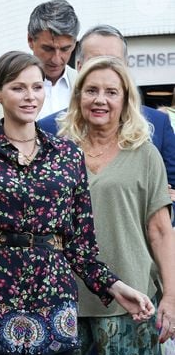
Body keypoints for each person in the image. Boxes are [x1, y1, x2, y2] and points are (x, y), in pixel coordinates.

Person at [0, 51, 154, 355]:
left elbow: (80, 246)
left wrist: (115, 287)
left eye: (37, 88)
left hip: (53, 300)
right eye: (18, 88)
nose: (30, 96)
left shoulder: (67, 155)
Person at [56, 56, 175, 355]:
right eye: (91, 90)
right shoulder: (58, 152)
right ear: (78, 95)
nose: (100, 100)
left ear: (125, 100)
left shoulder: (144, 153)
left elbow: (161, 230)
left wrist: (171, 297)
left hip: (131, 300)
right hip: (66, 299)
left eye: (111, 92)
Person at [38, 24, 175, 219]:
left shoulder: (157, 123)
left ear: (126, 66)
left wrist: (159, 209)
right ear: (79, 67)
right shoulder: (48, 128)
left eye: (114, 62)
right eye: (96, 61)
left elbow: (170, 197)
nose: (105, 68)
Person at [0, 0, 79, 134]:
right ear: (30, 40)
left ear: (74, 44)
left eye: (65, 49)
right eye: (48, 49)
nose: (56, 59)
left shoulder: (86, 88)